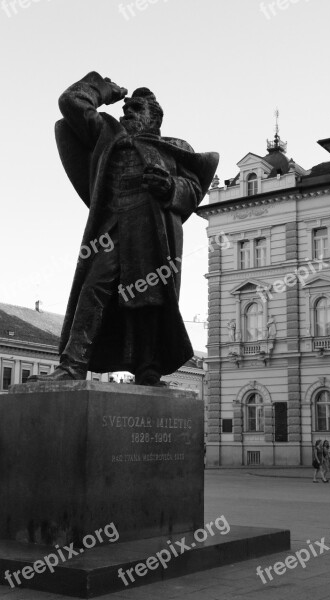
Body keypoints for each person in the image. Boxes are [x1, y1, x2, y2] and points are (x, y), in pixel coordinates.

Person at [28, 72, 218, 386]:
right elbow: (70, 102)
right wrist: (105, 90)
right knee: (94, 288)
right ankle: (72, 365)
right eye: (126, 108)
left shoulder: (174, 148)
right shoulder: (107, 134)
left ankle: (147, 368)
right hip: (112, 225)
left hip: (149, 228)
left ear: (155, 117)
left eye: (136, 109)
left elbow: (193, 190)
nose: (127, 112)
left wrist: (169, 186)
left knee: (147, 295)